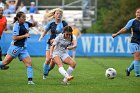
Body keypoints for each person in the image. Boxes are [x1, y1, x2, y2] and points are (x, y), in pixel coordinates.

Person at [0, 11, 37, 84]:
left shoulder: (26, 23)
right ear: (18, 18)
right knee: (5, 62)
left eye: (25, 17)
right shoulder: (16, 26)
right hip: (15, 47)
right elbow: (14, 37)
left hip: (23, 49)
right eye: (23, 17)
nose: (24, 18)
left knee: (29, 63)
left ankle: (30, 81)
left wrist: (34, 21)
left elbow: (33, 24)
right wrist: (25, 36)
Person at [38, 8, 68, 79]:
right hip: (50, 43)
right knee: (48, 59)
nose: (59, 15)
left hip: (59, 45)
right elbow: (45, 31)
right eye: (57, 13)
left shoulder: (64, 23)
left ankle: (47, 71)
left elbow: (67, 34)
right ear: (54, 15)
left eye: (60, 14)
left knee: (53, 62)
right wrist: (41, 37)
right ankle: (45, 74)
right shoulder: (51, 23)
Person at [112, 8, 140, 77]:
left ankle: (128, 70)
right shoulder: (132, 21)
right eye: (137, 12)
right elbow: (124, 29)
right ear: (135, 13)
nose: (138, 14)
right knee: (137, 58)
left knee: (138, 59)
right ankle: (138, 75)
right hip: (134, 42)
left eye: (139, 12)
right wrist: (116, 34)